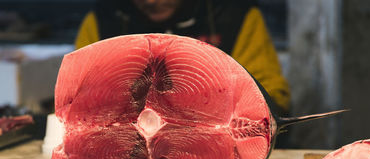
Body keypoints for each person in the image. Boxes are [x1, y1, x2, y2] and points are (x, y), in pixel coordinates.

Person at [75, 0, 290, 114]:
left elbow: (271, 94)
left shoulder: (236, 15)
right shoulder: (101, 21)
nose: (151, 1)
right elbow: (76, 98)